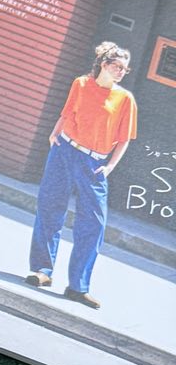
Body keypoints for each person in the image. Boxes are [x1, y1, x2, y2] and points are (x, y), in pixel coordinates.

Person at [27, 41, 137, 309]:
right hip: (64, 152)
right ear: (104, 64)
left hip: (94, 163)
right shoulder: (81, 84)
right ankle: (42, 271)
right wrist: (54, 134)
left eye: (125, 69)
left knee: (94, 224)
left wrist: (109, 167)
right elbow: (67, 113)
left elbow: (124, 139)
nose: (121, 72)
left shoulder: (125, 99)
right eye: (117, 66)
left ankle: (78, 287)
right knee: (50, 209)